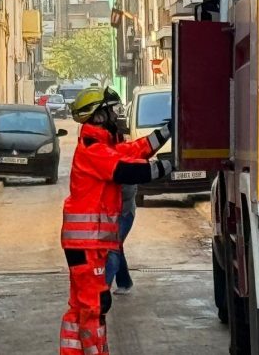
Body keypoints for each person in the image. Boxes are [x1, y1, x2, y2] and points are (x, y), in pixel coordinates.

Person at [59, 87, 173, 355]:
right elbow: (126, 169)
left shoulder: (101, 145)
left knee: (82, 307)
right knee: (94, 305)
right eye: (111, 110)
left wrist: (166, 133)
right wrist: (168, 167)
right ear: (98, 116)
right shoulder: (93, 149)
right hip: (87, 243)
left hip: (90, 243)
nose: (116, 115)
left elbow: (135, 149)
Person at [105, 183, 136, 294]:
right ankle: (124, 282)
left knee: (112, 248)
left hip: (124, 213)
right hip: (109, 214)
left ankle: (103, 289)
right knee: (116, 247)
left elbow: (128, 192)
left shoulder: (127, 167)